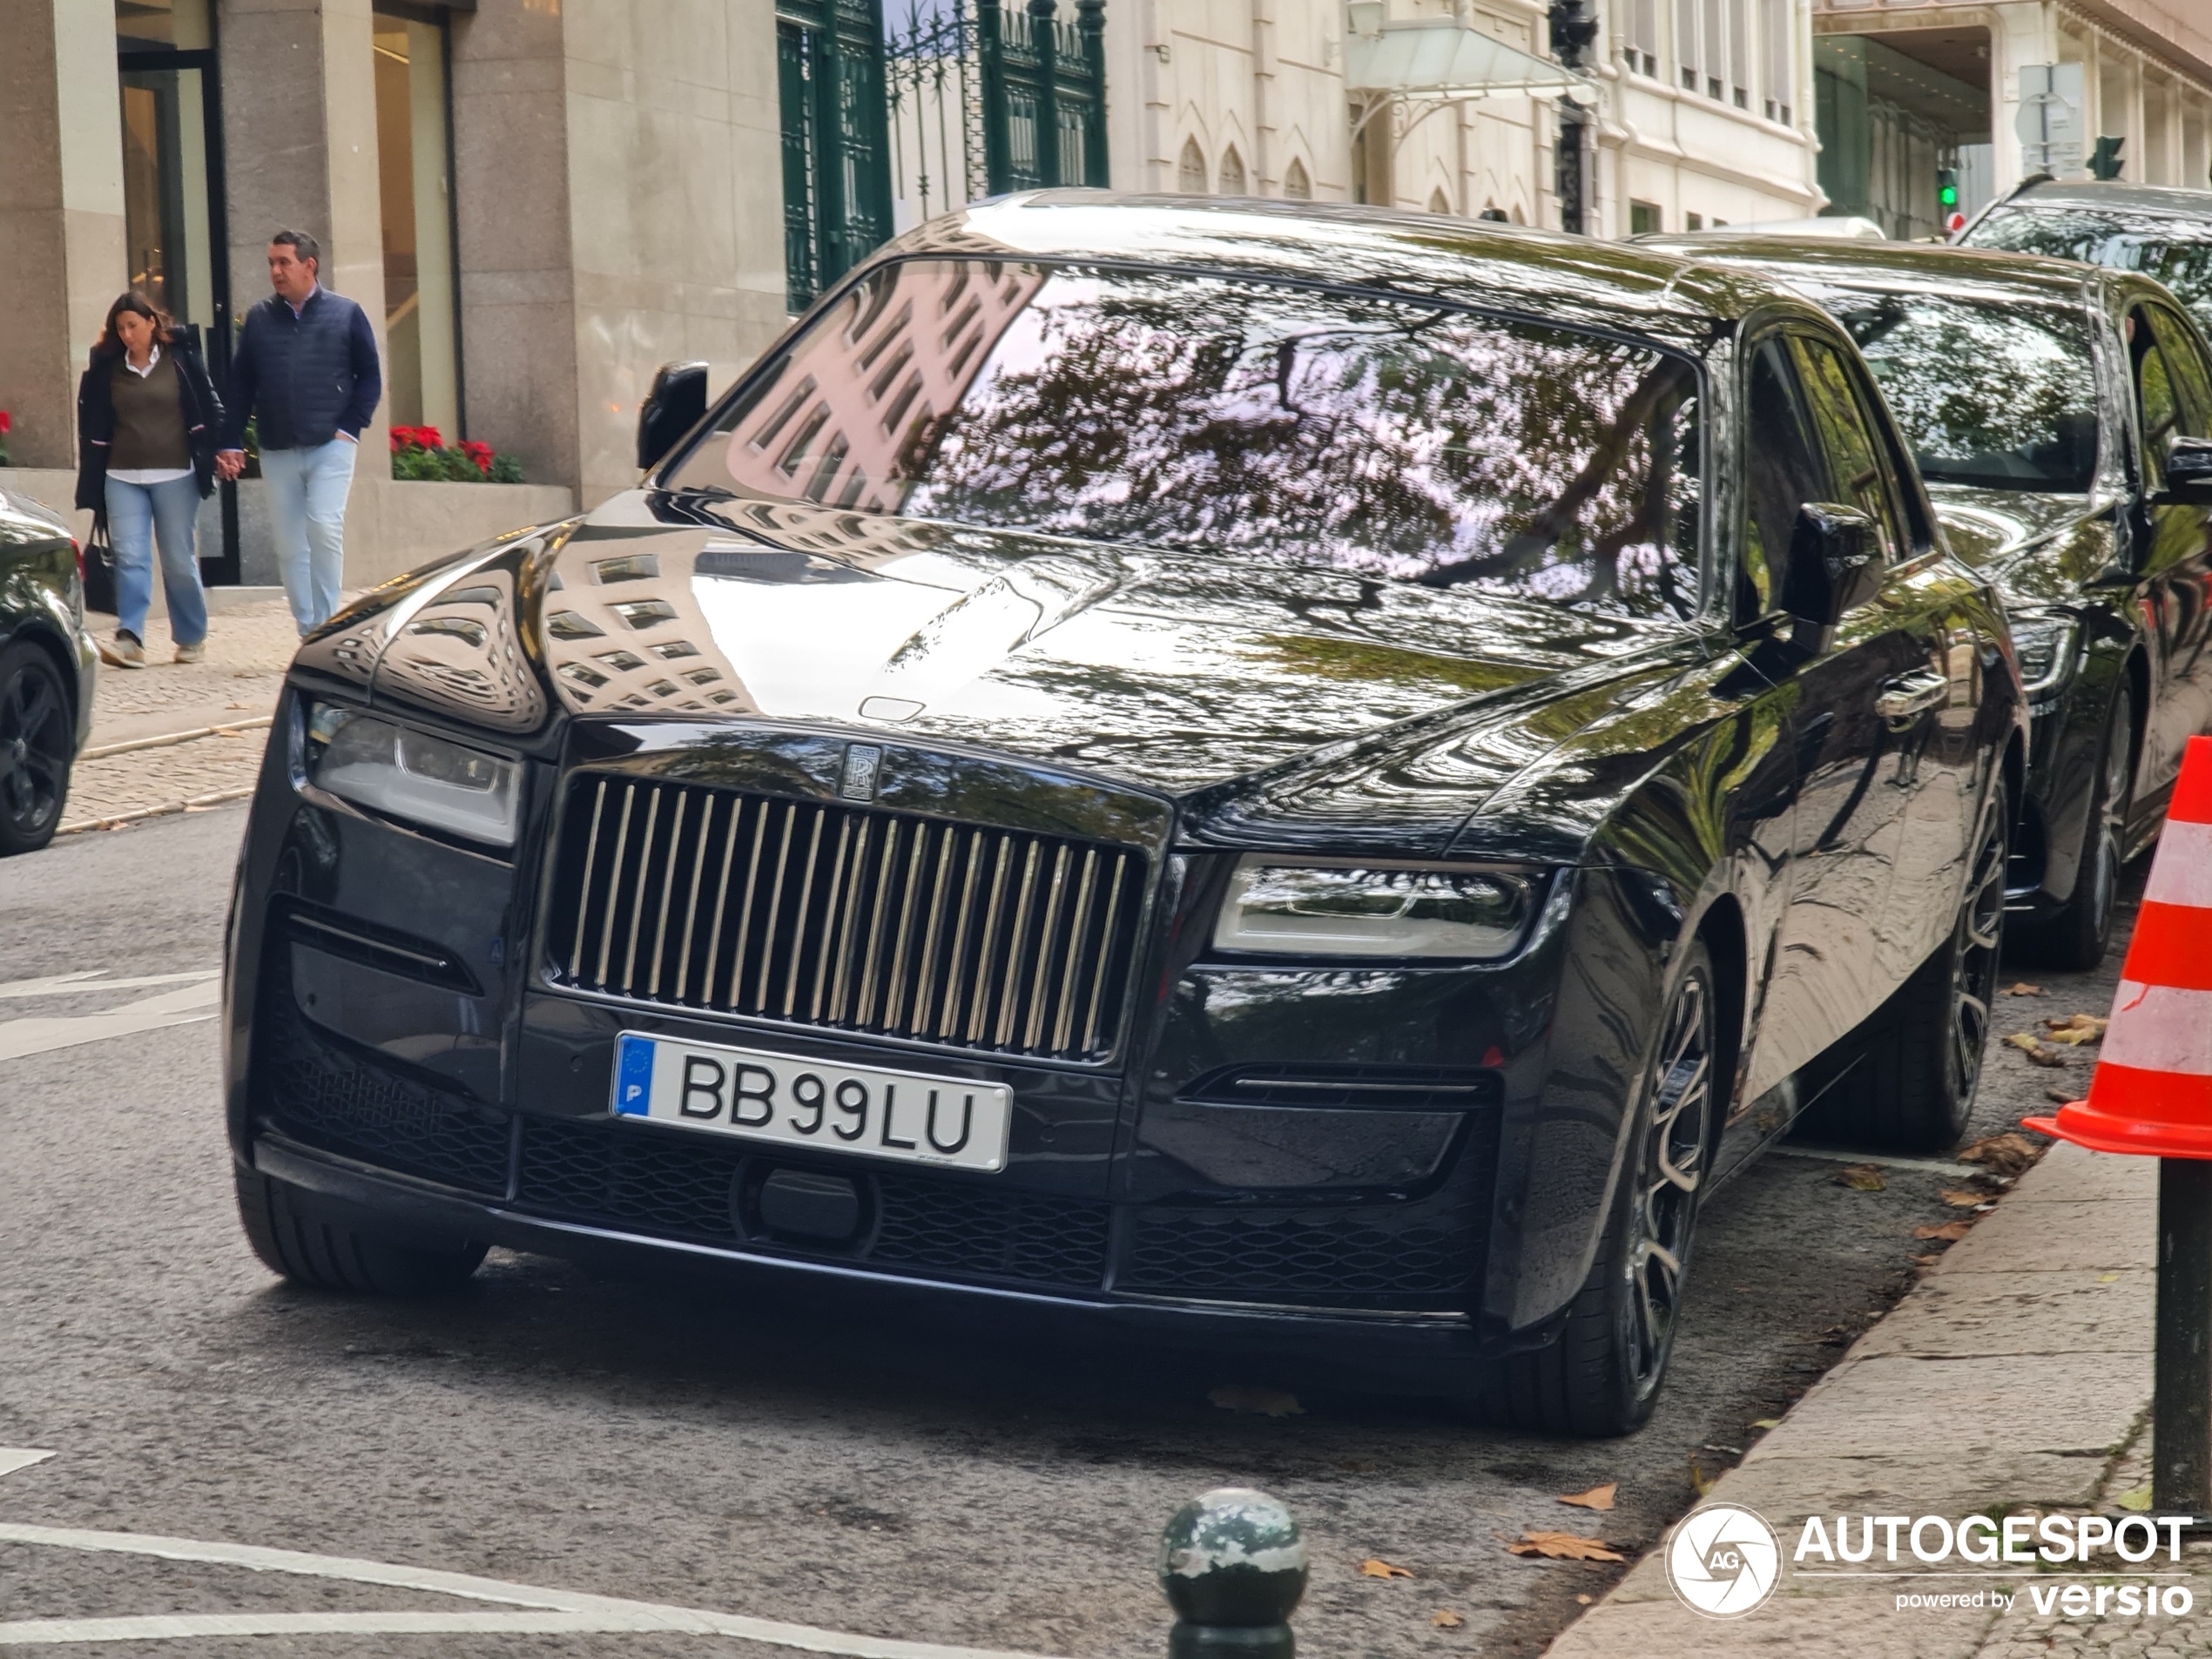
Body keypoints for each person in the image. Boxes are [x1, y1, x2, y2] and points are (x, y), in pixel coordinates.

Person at [215, 229, 381, 636]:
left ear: (310, 266)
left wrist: (349, 428)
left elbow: (371, 377)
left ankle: (326, 626)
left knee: (324, 526)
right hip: (277, 448)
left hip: (331, 445)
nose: (275, 271)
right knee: (290, 546)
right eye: (271, 263)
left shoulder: (346, 313)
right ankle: (308, 628)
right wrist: (231, 441)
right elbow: (241, 386)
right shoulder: (258, 319)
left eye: (283, 262)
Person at [74, 292, 226, 668]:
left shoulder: (181, 360)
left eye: (133, 326)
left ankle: (191, 636)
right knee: (130, 557)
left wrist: (222, 447)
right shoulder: (108, 367)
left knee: (177, 558)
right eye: (120, 328)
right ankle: (131, 638)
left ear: (152, 324)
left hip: (176, 474)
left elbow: (209, 404)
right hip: (121, 476)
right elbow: (91, 419)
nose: (127, 334)